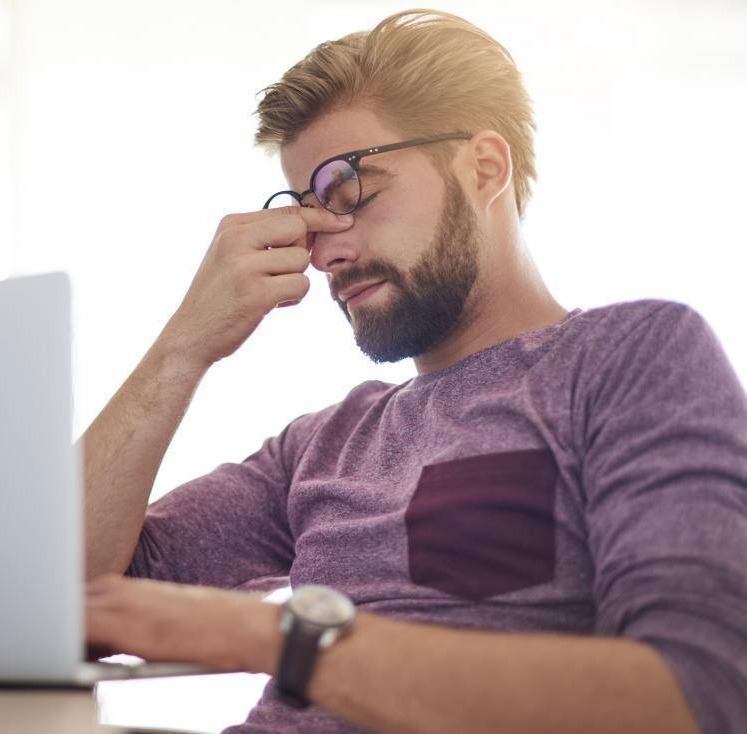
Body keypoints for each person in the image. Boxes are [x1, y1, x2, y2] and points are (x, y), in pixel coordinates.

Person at [79, 9, 747, 734]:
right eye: (307, 216)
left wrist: (276, 639)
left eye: (350, 193)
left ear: (484, 167)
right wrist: (183, 347)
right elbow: (67, 600)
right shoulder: (318, 449)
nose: (324, 251)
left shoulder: (628, 358)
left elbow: (697, 696)